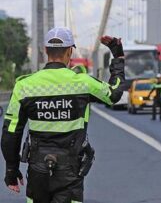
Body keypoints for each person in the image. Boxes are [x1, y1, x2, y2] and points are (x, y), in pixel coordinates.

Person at [1, 27, 125, 203]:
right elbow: (114, 94)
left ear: (46, 51)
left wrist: (11, 170)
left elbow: (10, 132)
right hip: (71, 171)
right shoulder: (82, 83)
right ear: (70, 51)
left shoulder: (24, 86)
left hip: (38, 170)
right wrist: (118, 57)